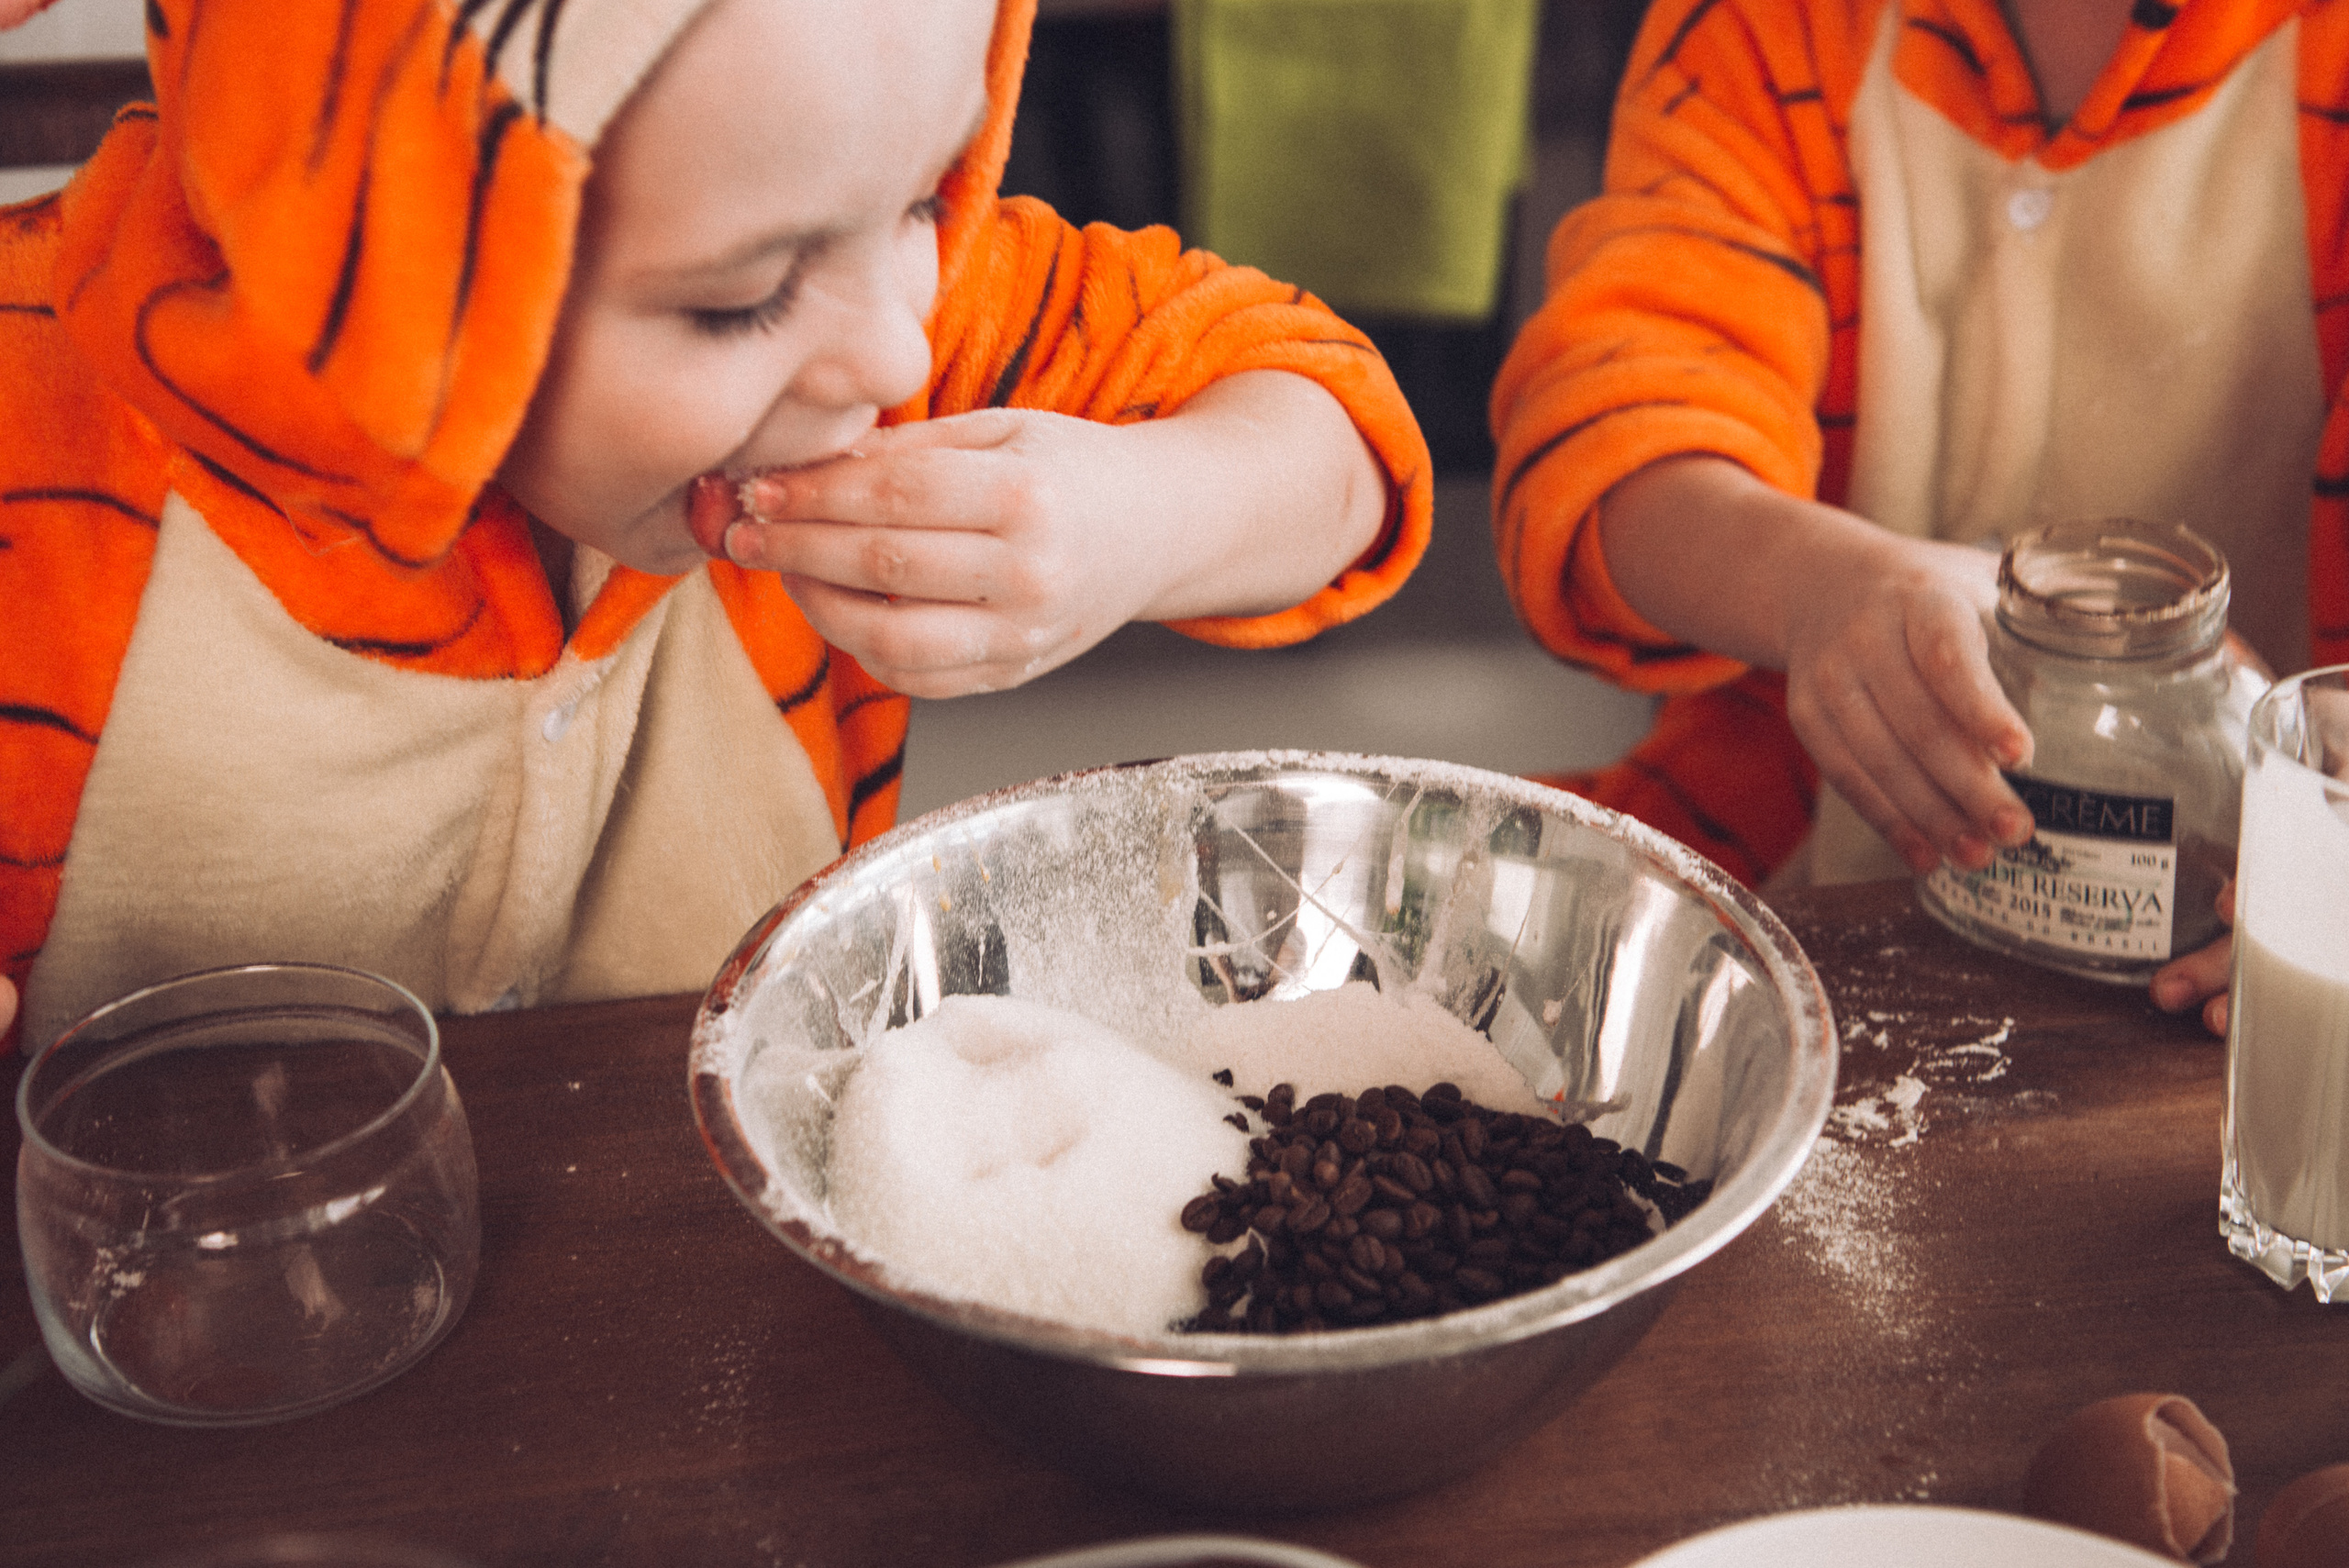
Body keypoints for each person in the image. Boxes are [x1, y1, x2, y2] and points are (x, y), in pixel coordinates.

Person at [0, 0, 1432, 1053]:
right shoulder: (40, 441)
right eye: (738, 300)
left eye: (930, 196)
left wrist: (1143, 515)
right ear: (381, 260)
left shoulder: (888, 300)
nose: (888, 355)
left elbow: (1341, 444)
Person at [1491, 0, 2349, 1035]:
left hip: (2267, 928)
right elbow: (1619, 428)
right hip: (1781, 854)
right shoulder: (1766, 29)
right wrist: (1812, 585)